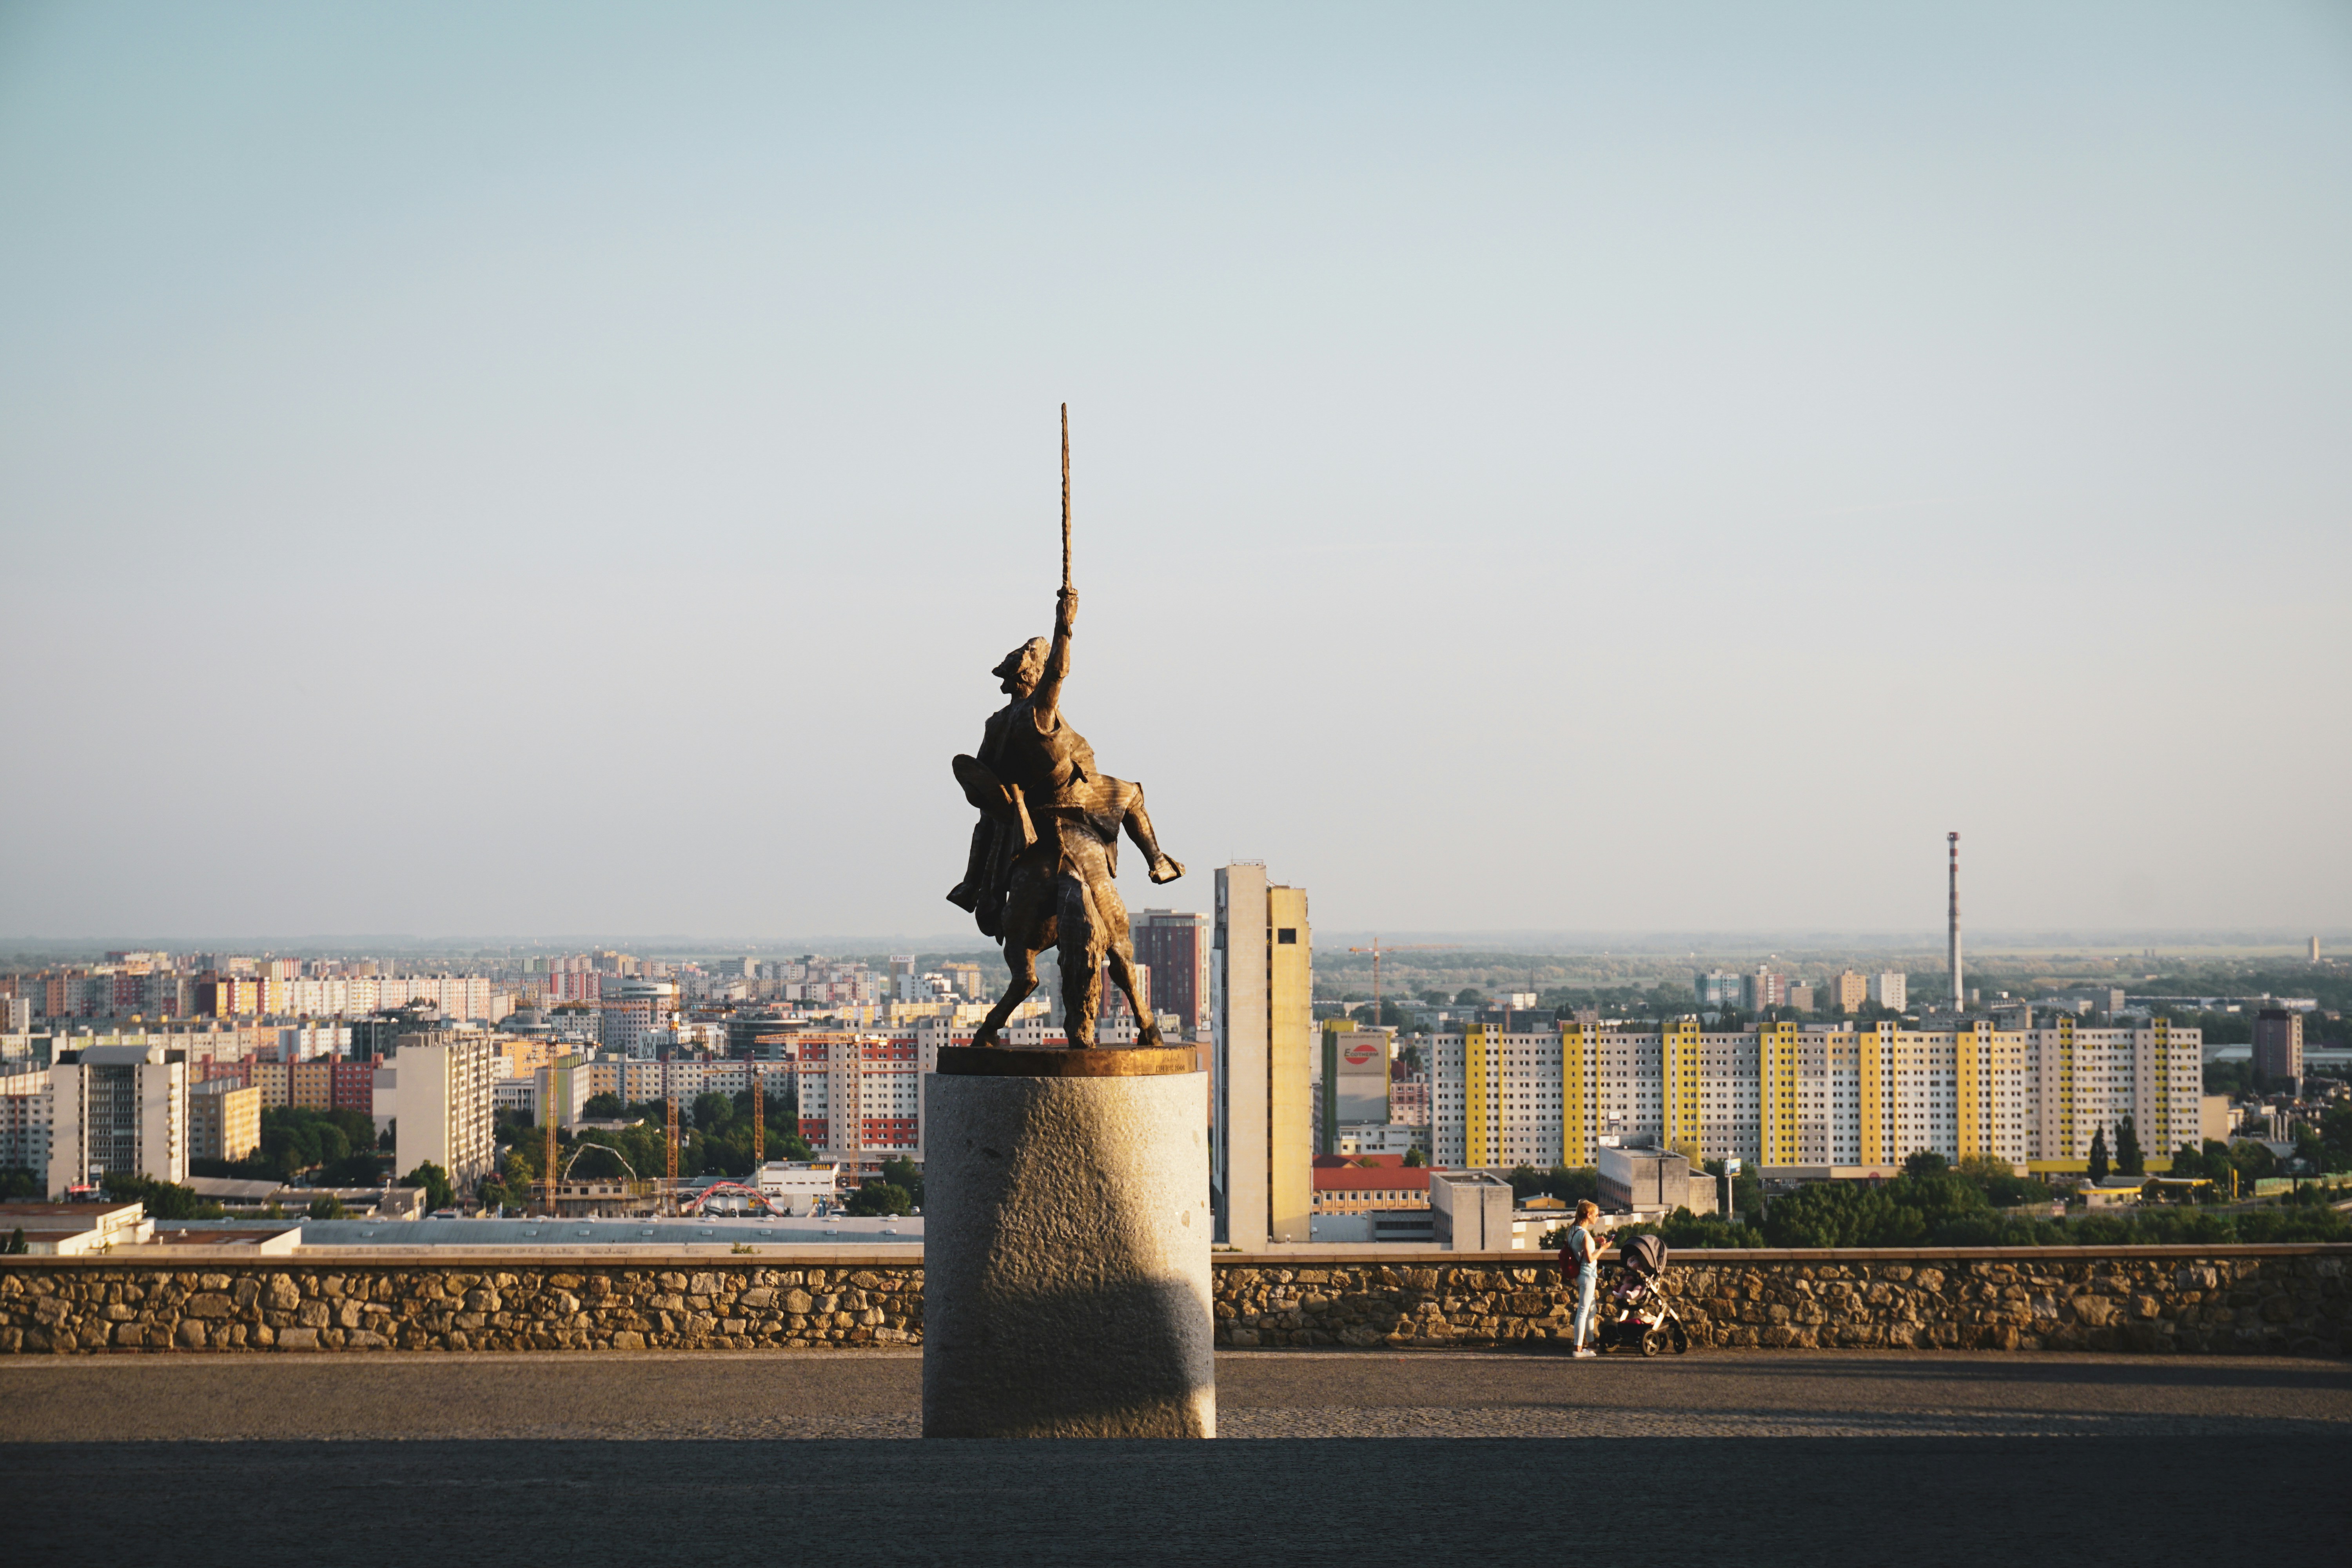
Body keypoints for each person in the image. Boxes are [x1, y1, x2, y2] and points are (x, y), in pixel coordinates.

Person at [1559, 1200, 1610, 1358]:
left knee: (1591, 1310)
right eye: (1596, 1215)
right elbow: (1590, 1258)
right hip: (1588, 1276)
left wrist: (1594, 1240)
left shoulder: (1574, 1230)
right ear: (1588, 1215)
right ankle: (1578, 1349)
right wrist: (1603, 1248)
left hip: (1580, 1276)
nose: (1598, 1217)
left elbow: (1578, 1245)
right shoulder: (1585, 1235)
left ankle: (1591, 1344)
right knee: (1583, 1311)